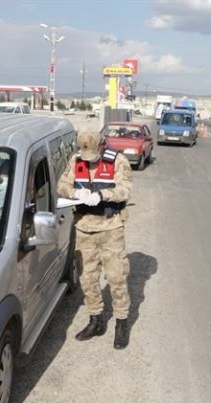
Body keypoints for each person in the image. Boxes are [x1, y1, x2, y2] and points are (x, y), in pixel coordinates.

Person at [57, 130, 133, 349]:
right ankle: (96, 320)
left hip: (110, 227)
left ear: (101, 145)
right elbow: (61, 185)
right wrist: (75, 193)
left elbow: (126, 190)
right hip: (84, 227)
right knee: (87, 277)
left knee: (116, 277)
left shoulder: (117, 160)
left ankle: (121, 322)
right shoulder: (76, 160)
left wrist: (102, 195)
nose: (88, 159)